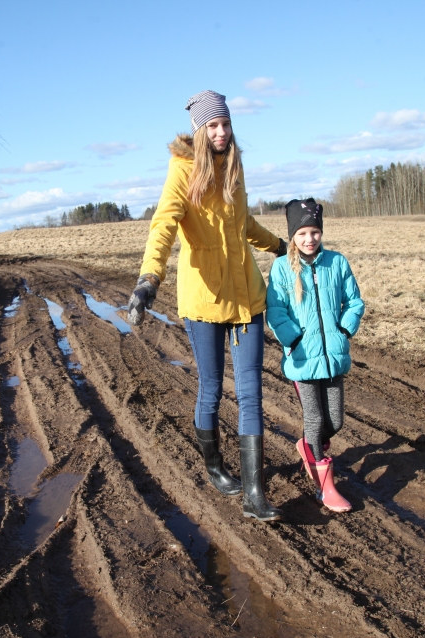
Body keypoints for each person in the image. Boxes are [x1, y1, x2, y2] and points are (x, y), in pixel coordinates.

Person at [127, 90, 287, 522]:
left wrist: (281, 247)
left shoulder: (235, 166)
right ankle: (215, 468)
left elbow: (244, 224)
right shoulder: (182, 171)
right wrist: (148, 279)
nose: (221, 132)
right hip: (204, 301)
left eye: (226, 124)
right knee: (212, 388)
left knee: (251, 391)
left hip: (247, 297)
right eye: (212, 126)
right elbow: (164, 226)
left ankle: (255, 493)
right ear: (199, 130)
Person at [265, 198, 364, 513]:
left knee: (335, 421)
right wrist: (293, 339)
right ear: (293, 234)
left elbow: (355, 301)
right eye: (303, 233)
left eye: (315, 232)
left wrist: (344, 331)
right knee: (316, 418)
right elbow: (276, 310)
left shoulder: (336, 263)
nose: (310, 239)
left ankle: (309, 446)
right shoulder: (282, 267)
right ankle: (326, 488)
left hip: (333, 356)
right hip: (303, 359)